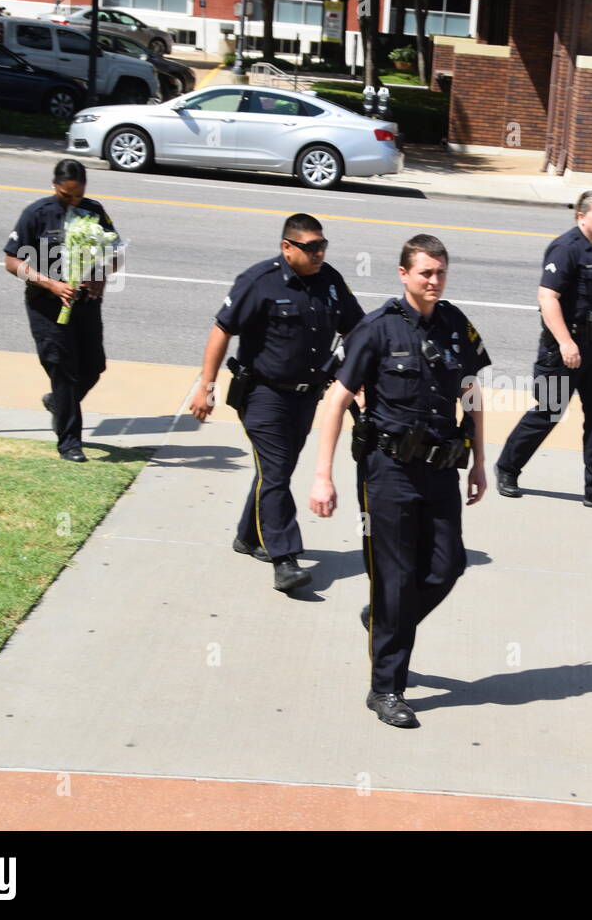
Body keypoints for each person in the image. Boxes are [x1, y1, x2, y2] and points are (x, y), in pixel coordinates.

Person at [309, 234, 490, 729]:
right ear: (403, 274)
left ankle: (384, 619)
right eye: (425, 273)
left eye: (440, 273)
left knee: (448, 565)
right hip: (387, 471)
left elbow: (472, 393)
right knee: (395, 579)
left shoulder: (457, 326)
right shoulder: (377, 329)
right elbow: (337, 400)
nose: (434, 281)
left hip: (441, 469)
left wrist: (478, 461)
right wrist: (322, 476)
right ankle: (386, 688)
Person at [189, 214, 364, 594]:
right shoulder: (259, 281)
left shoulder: (330, 281)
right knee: (277, 472)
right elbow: (222, 329)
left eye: (323, 246)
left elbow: (356, 329)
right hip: (263, 394)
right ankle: (284, 558)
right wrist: (206, 386)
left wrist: (358, 379)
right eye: (310, 247)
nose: (319, 253)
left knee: (275, 469)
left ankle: (247, 536)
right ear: (287, 248)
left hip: (306, 396)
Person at [494, 190, 592, 512]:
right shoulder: (566, 248)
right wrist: (566, 343)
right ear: (580, 216)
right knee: (547, 413)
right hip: (563, 350)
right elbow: (547, 298)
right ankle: (507, 468)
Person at [3, 158, 119, 463]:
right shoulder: (37, 214)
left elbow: (115, 251)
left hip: (85, 303)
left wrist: (100, 274)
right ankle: (70, 443)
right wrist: (52, 285)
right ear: (55, 186)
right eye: (67, 195)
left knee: (93, 367)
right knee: (63, 369)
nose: (73, 201)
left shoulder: (94, 212)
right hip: (46, 304)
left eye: (78, 194)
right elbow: (12, 262)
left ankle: (58, 402)